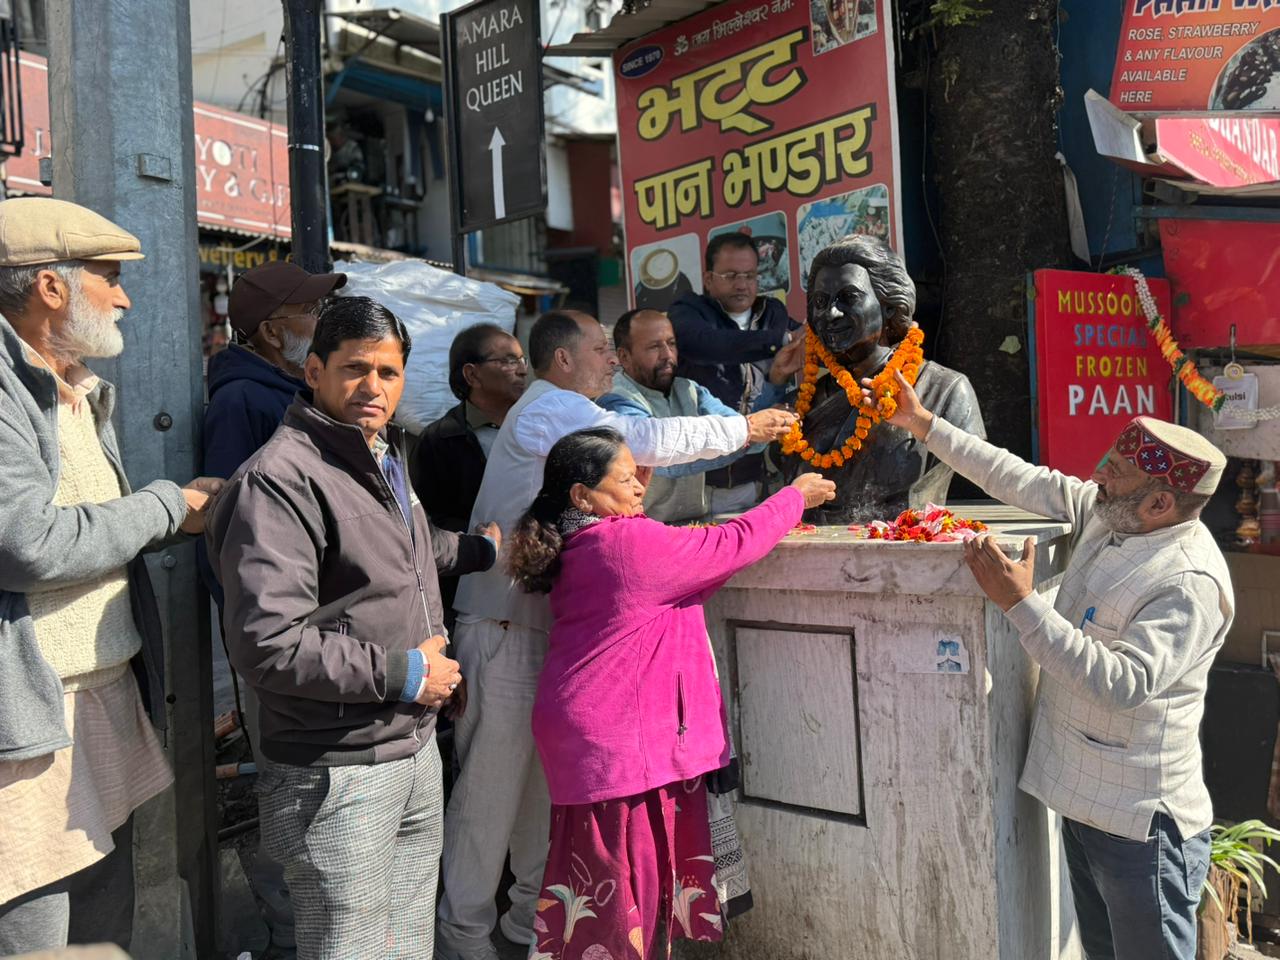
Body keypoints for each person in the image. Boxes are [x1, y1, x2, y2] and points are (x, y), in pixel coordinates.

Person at [435, 310, 797, 960]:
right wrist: (747, 428)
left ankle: (524, 928)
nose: (612, 360)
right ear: (563, 360)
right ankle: (464, 937)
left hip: (543, 642)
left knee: (539, 807)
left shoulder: (570, 430)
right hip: (503, 631)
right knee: (488, 798)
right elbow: (646, 438)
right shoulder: (550, 408)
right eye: (602, 348)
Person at [883, 370, 1233, 960]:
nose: (1097, 478)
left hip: (1142, 827)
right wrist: (923, 424)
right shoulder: (1111, 511)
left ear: (1160, 502)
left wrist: (1020, 603)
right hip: (1087, 805)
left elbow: (1121, 683)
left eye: (1114, 473)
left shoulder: (1188, 581)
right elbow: (1017, 476)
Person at [206, 297, 470, 960]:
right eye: (355, 369)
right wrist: (408, 671)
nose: (372, 386)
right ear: (314, 371)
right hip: (337, 769)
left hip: (410, 744)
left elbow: (405, 558)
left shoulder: (381, 456)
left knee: (407, 946)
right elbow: (269, 644)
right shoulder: (278, 482)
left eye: (388, 372)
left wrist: (482, 551)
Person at [506, 427, 835, 958]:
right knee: (620, 910)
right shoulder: (624, 544)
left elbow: (700, 570)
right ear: (582, 496)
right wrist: (793, 497)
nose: (641, 486)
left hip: (596, 733)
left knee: (606, 900)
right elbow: (729, 545)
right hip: (617, 741)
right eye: (626, 478)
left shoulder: (591, 542)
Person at [0, 196, 223, 954]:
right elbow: (26, 543)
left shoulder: (74, 386)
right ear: (50, 287)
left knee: (102, 928)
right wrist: (165, 506)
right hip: (28, 724)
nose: (125, 298)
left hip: (94, 703)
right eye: (111, 278)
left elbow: (86, 533)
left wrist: (174, 516)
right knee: (38, 937)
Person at [199, 259, 346, 955]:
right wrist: (269, 626)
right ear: (269, 331)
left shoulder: (296, 389)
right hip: (288, 636)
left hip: (324, 624)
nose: (321, 323)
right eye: (310, 313)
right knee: (294, 789)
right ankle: (292, 935)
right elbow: (228, 523)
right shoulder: (242, 401)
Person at [598, 308, 805, 522]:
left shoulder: (690, 389)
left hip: (696, 522)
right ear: (624, 357)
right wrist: (749, 431)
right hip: (644, 530)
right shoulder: (615, 401)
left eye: (671, 344)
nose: (667, 355)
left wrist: (778, 376)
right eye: (654, 347)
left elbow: (739, 426)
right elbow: (664, 460)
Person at [668, 233, 799, 513]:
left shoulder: (772, 313)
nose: (741, 285)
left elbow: (803, 343)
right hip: (699, 486)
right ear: (708, 279)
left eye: (749, 276)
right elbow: (703, 345)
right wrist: (781, 341)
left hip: (758, 480)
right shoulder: (688, 311)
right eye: (730, 275)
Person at [412, 323, 527, 626]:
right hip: (469, 597)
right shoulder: (440, 440)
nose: (521, 370)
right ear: (472, 374)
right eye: (507, 361)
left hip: (531, 591)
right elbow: (426, 523)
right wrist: (483, 538)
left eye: (522, 360)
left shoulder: (536, 427)